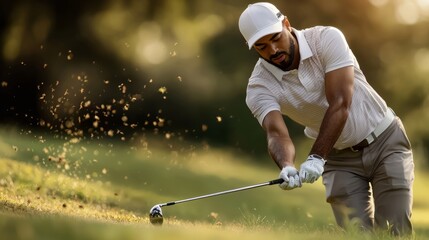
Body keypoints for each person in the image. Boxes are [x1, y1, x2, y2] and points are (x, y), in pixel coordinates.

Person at [238, 2, 414, 236]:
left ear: (287, 24)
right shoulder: (259, 86)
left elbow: (340, 102)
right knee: (355, 233)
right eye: (261, 46)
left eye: (275, 38)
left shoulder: (327, 39)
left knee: (396, 231)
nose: (272, 50)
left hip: (386, 142)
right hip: (339, 158)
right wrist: (287, 166)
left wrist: (316, 156)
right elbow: (276, 133)